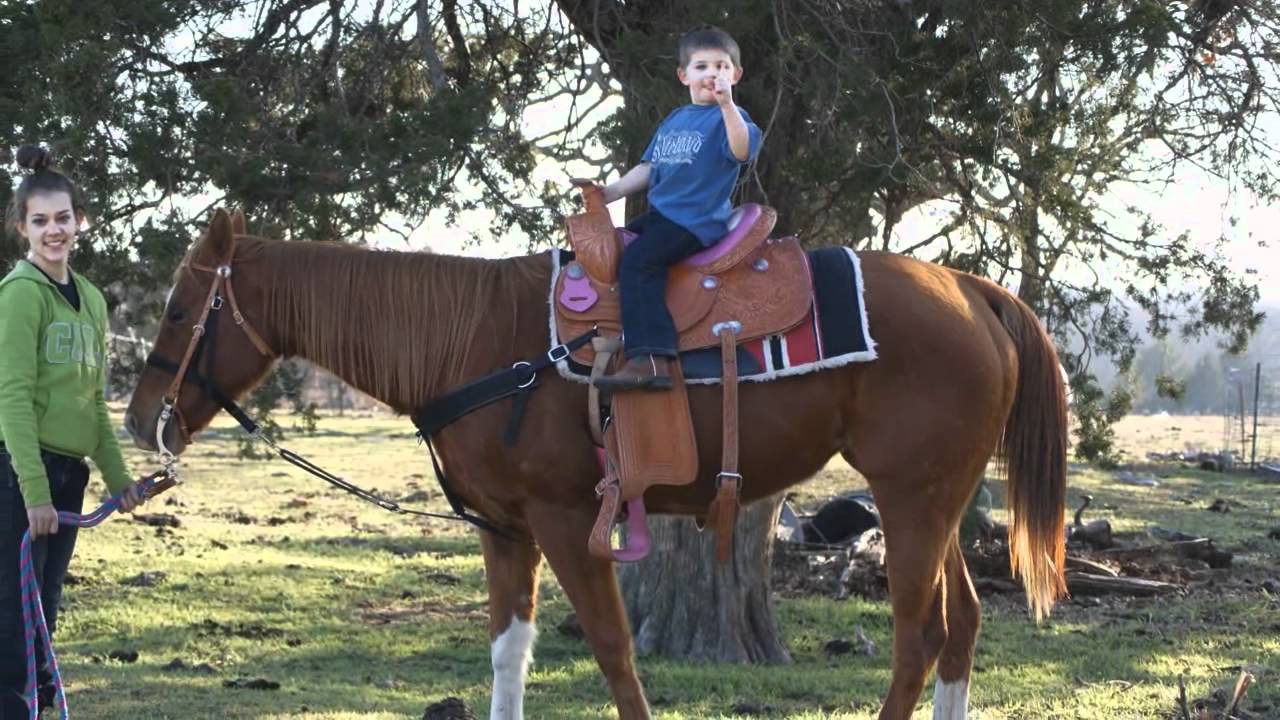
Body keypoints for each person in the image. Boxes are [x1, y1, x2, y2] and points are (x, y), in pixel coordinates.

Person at [0, 145, 144, 717]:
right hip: (18, 476)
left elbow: (93, 405)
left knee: (44, 613)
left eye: (63, 218)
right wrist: (32, 491)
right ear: (22, 229)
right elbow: (10, 398)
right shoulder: (18, 296)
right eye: (40, 221)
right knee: (13, 623)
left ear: (79, 220)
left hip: (68, 476)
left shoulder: (90, 301)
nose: (53, 230)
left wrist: (120, 482)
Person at [591, 26, 763, 391]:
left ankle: (652, 357)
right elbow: (650, 167)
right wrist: (611, 191)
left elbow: (742, 150)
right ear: (684, 76)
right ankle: (609, 336)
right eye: (702, 66)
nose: (713, 74)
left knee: (641, 262)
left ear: (736, 75)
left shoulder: (730, 118)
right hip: (663, 217)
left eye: (722, 66)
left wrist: (728, 105)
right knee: (612, 250)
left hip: (695, 222)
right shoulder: (674, 120)